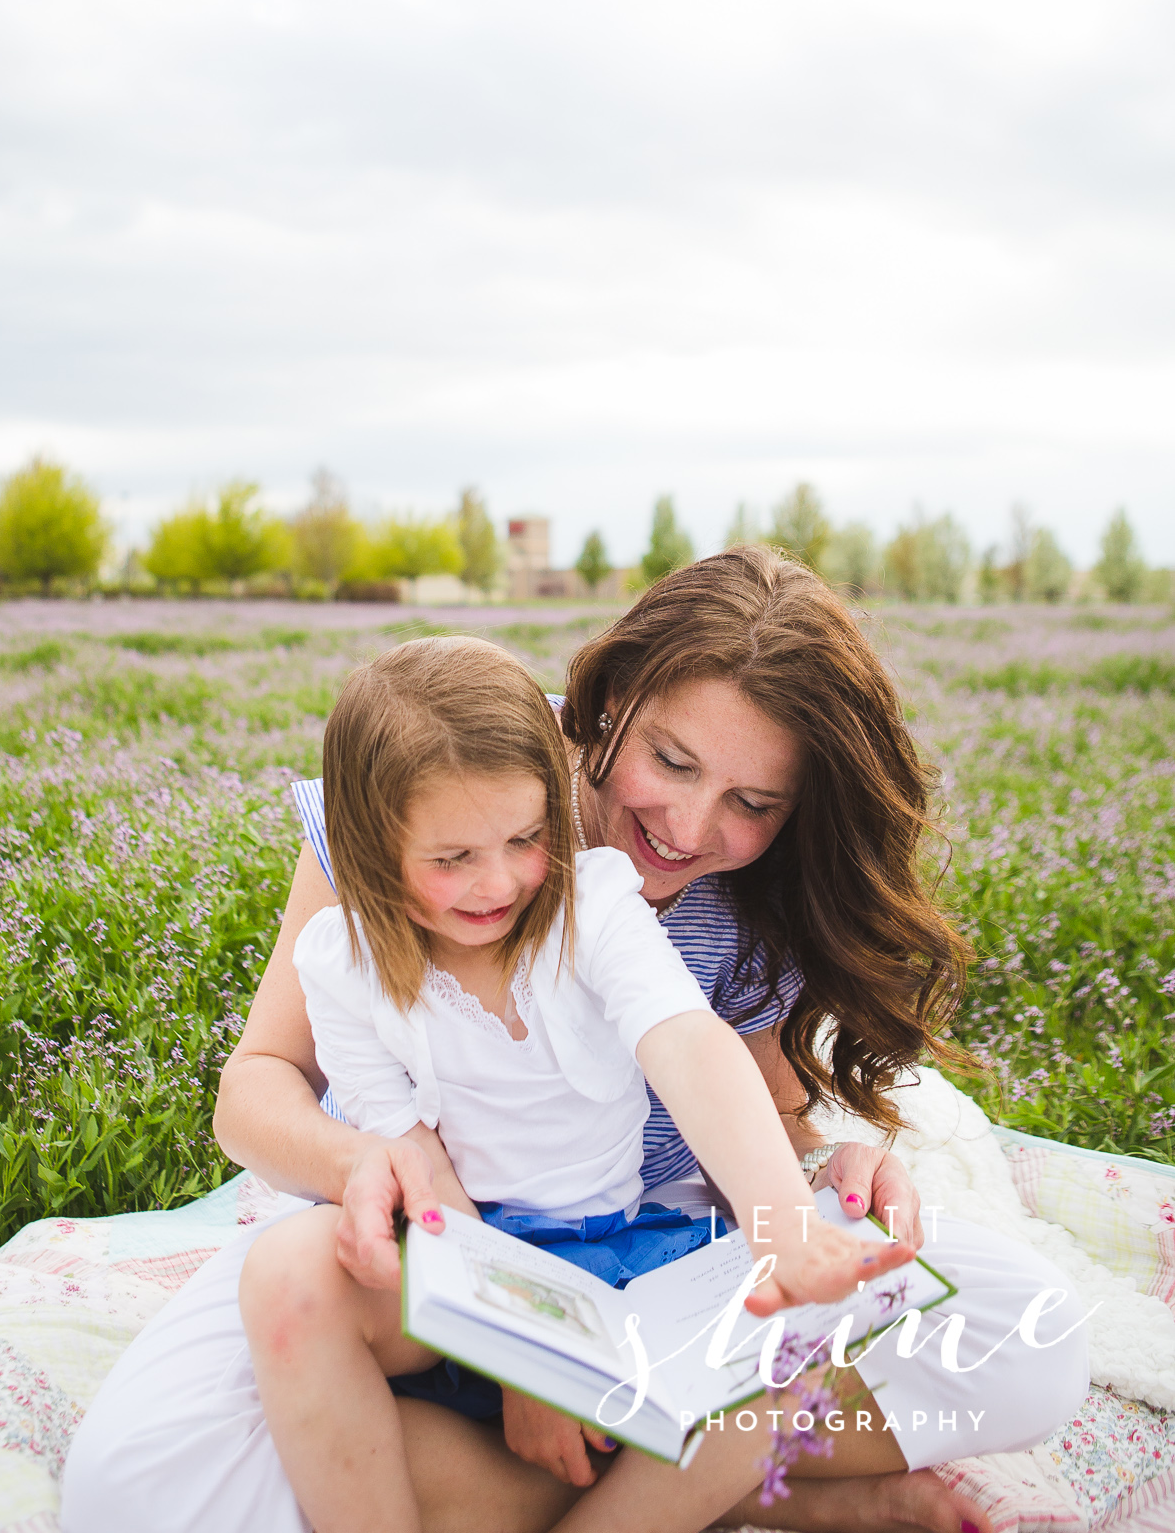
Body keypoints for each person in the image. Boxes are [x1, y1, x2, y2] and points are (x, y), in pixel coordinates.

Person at [62, 549, 1089, 1533]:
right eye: (670, 759)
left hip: (648, 1249)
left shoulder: (731, 889)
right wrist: (382, 1174)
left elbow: (739, 1088)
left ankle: (648, 1464)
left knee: (1029, 1339)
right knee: (136, 1490)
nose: (689, 825)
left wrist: (822, 1173)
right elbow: (257, 1086)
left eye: (753, 802)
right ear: (611, 700)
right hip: (424, 1244)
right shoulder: (431, 781)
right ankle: (730, 1487)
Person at [238, 636, 911, 1533]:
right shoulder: (343, 959)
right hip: (470, 1253)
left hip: (618, 1242)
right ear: (369, 850)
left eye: (526, 838)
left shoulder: (592, 897)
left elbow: (687, 1043)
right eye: (453, 860)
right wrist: (524, 1353)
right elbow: (413, 1159)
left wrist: (783, 1222)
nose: (503, 880)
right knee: (282, 1282)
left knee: (795, 1341)